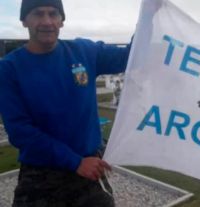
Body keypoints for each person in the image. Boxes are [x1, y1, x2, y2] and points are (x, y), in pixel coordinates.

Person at [0, 0, 131, 206]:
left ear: (62, 20)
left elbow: (130, 56)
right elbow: (20, 131)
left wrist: (151, 16)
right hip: (42, 176)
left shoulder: (83, 51)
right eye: (38, 13)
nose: (47, 21)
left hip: (88, 170)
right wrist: (75, 162)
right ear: (24, 20)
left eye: (53, 14)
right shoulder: (9, 69)